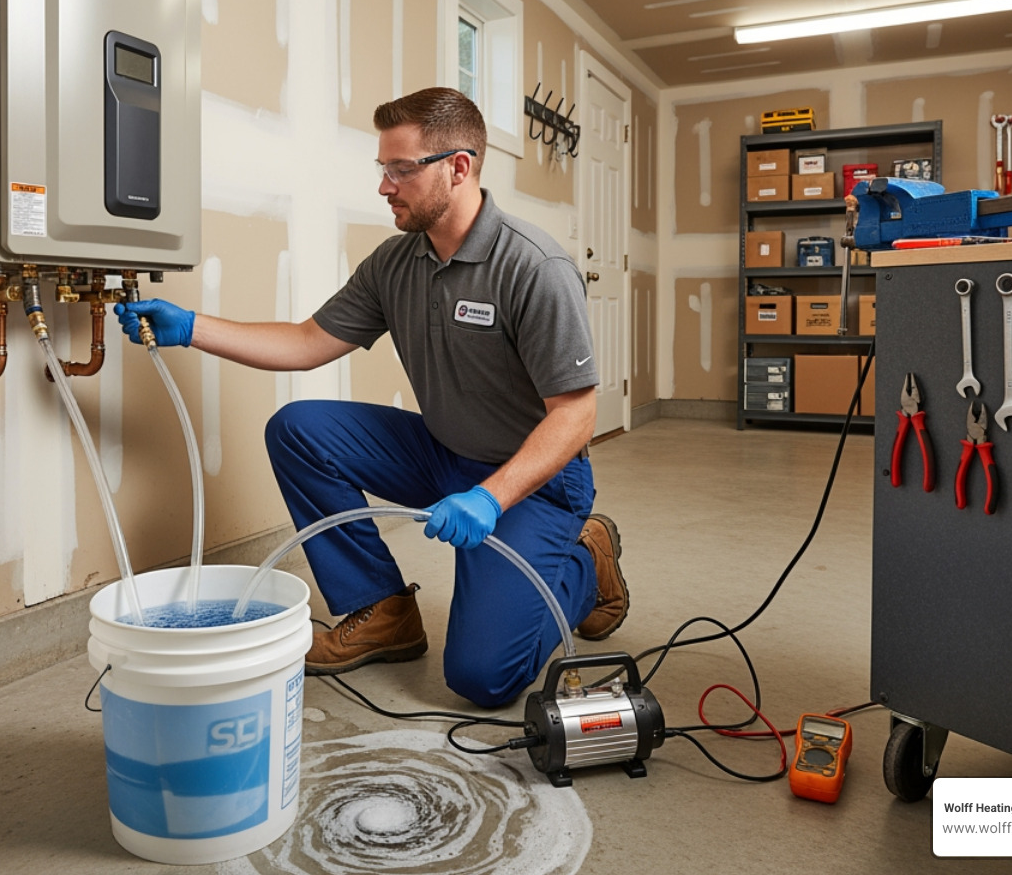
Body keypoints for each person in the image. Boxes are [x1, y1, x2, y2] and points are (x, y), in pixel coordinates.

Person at [115, 87, 628, 708]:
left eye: (401, 169)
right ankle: (381, 610)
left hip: (533, 482)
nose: (385, 186)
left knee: (482, 678)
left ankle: (583, 560)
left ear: (458, 167)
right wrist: (192, 327)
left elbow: (576, 415)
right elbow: (308, 341)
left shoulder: (534, 267)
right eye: (382, 168)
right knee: (300, 430)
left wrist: (491, 498)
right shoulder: (395, 263)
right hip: (444, 454)